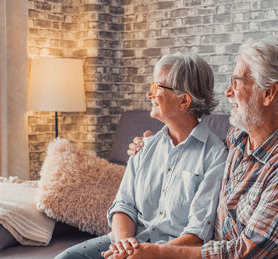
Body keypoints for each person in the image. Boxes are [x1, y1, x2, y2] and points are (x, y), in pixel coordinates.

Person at [122, 37, 278, 258]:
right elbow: (195, 153)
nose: (228, 92)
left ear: (269, 93)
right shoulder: (239, 137)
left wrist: (160, 253)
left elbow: (244, 252)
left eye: (237, 82)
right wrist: (155, 143)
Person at [56, 53, 228, 259]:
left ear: (184, 101)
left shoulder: (215, 156)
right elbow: (123, 205)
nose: (149, 94)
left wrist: (153, 253)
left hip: (171, 252)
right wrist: (124, 245)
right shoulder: (144, 146)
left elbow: (197, 233)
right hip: (130, 243)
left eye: (157, 87)